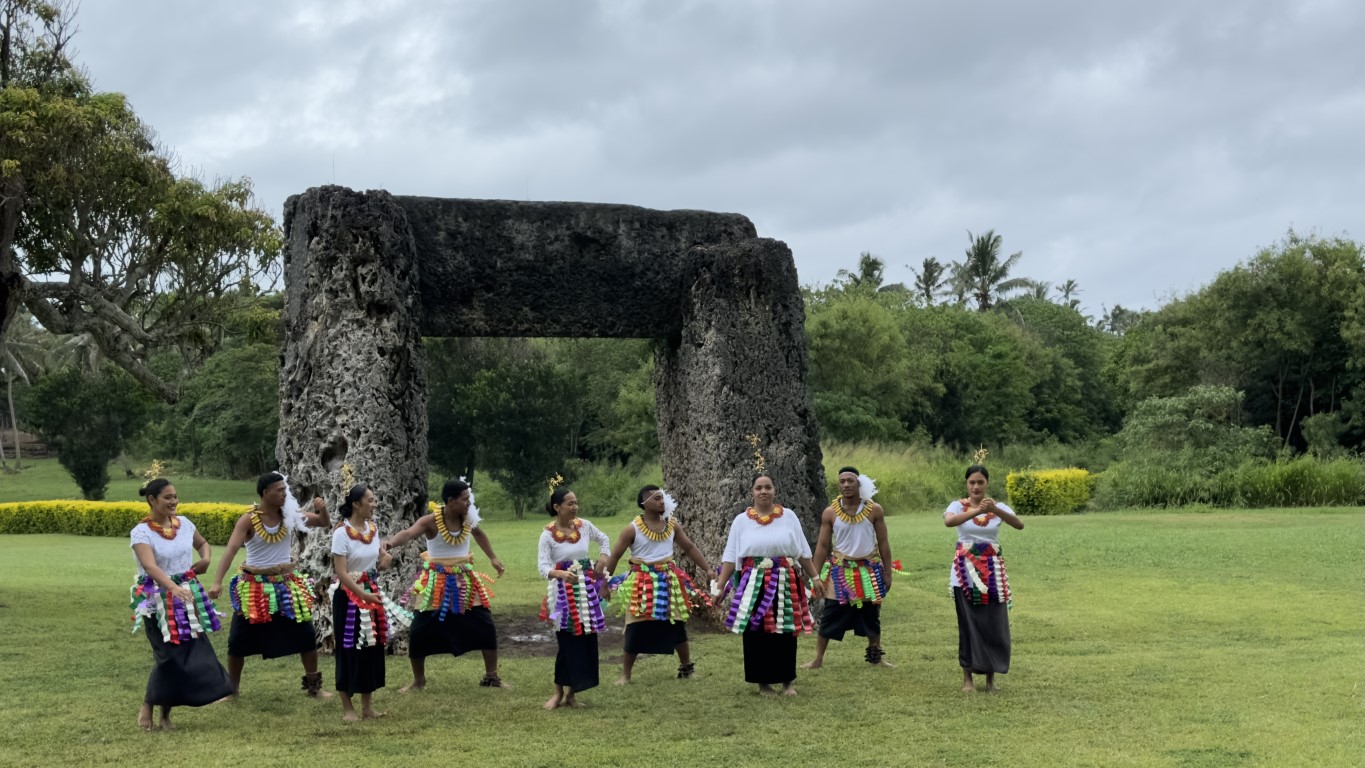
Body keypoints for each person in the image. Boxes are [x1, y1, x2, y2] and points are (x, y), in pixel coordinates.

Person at [208, 471, 333, 697]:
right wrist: (217, 582)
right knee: (237, 641)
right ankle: (231, 690)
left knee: (305, 635)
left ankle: (314, 687)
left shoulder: (290, 515)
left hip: (286, 586)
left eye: (285, 490)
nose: (284, 494)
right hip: (255, 588)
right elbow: (230, 551)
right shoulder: (249, 519)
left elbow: (323, 522)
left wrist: (321, 507)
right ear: (265, 493)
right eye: (279, 490)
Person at [129, 478, 235, 731]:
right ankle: (148, 702)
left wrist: (206, 559)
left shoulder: (185, 524)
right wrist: (172, 587)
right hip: (158, 599)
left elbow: (202, 544)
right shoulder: (141, 532)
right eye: (167, 497)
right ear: (152, 500)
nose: (174, 501)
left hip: (187, 597)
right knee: (168, 657)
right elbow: (150, 566)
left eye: (175, 496)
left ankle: (165, 714)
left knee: (187, 654)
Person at [385, 479, 509, 690]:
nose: (468, 503)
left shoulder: (468, 518)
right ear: (451, 501)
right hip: (436, 581)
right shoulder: (431, 520)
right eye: (464, 500)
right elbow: (409, 532)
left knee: (485, 625)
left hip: (465, 580)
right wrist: (389, 543)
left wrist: (493, 558)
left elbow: (478, 534)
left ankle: (491, 677)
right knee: (419, 631)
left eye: (468, 499)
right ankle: (419, 680)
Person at [716, 472, 820, 696]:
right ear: (752, 492)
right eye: (758, 487)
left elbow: (802, 551)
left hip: (785, 581)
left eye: (768, 487)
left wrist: (816, 577)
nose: (763, 491)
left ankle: (787, 681)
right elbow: (731, 555)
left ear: (774, 491)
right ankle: (763, 683)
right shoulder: (741, 521)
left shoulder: (789, 516)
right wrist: (720, 587)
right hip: (754, 582)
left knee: (785, 630)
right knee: (757, 631)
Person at [603, 485, 713, 683]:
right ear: (644, 503)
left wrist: (708, 569)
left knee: (677, 624)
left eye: (662, 498)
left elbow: (689, 547)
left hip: (668, 580)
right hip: (641, 582)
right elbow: (615, 556)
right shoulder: (632, 529)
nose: (661, 501)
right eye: (656, 498)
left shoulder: (672, 524)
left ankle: (686, 668)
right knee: (635, 626)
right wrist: (605, 583)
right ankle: (626, 675)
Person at [329, 483, 408, 720]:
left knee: (371, 647)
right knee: (349, 648)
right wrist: (361, 594)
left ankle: (367, 707)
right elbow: (341, 572)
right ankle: (347, 709)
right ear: (356, 504)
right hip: (349, 597)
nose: (375, 504)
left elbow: (378, 556)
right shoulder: (341, 533)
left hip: (370, 593)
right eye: (370, 500)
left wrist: (386, 557)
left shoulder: (372, 528)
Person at [803, 466, 895, 669]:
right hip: (840, 573)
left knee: (871, 616)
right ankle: (817, 659)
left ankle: (875, 658)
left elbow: (883, 543)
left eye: (850, 481)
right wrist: (815, 577)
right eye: (842, 481)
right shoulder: (830, 512)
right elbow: (822, 546)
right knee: (830, 615)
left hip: (868, 571)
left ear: (858, 483)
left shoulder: (874, 510)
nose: (846, 485)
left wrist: (887, 573)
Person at [944, 463, 1024, 692]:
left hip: (992, 574)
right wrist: (977, 511)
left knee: (993, 625)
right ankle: (967, 679)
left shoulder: (998, 507)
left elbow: (1019, 524)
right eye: (972, 482)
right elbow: (949, 522)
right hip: (964, 573)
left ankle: (991, 679)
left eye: (980, 482)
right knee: (968, 624)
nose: (976, 486)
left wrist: (995, 510)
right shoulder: (957, 506)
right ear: (966, 484)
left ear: (987, 483)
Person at [536, 485, 611, 710]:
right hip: (562, 593)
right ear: (557, 507)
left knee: (585, 638)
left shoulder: (585, 526)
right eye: (570, 503)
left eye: (576, 502)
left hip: (585, 589)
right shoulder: (547, 535)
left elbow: (604, 539)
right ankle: (557, 693)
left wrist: (603, 559)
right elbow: (542, 566)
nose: (575, 507)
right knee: (566, 640)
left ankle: (572, 695)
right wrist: (558, 573)